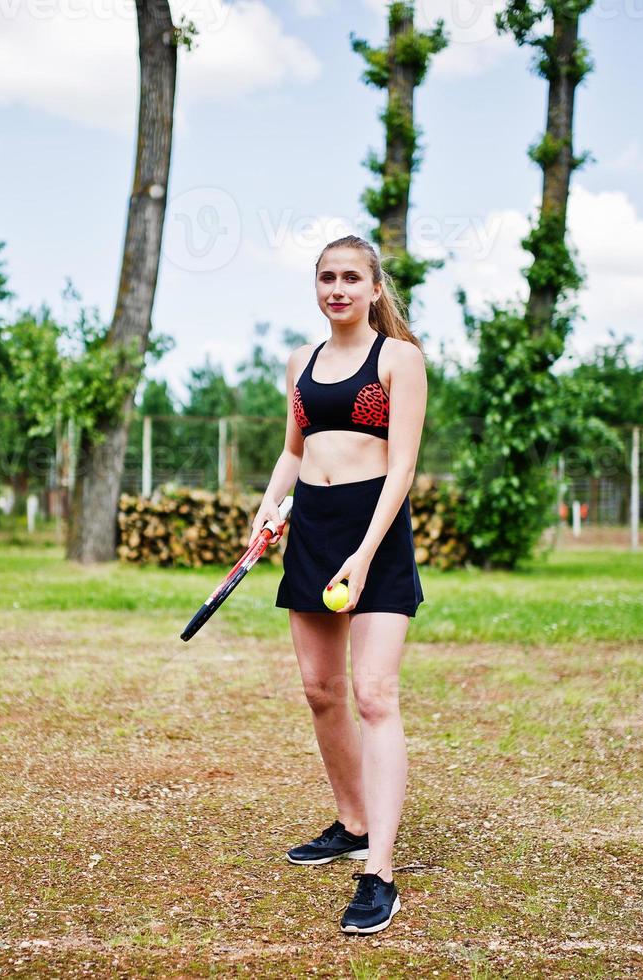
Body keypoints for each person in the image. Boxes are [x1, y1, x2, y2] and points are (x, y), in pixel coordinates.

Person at [249, 234, 427, 935]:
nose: (338, 288)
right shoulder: (302, 362)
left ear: (374, 289)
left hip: (372, 531)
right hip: (314, 528)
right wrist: (269, 507)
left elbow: (403, 466)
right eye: (327, 277)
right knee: (320, 691)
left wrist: (361, 553)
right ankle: (351, 821)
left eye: (352, 277)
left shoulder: (399, 360)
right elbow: (294, 451)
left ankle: (377, 869)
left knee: (374, 694)